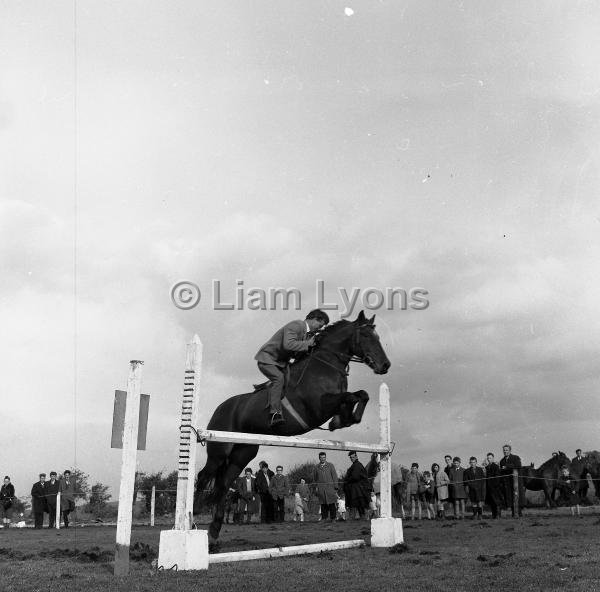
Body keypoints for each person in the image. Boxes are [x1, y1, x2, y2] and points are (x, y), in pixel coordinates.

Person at [255, 309, 329, 426]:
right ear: (314, 319)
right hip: (267, 360)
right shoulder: (296, 325)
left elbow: (296, 353)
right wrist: (308, 344)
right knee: (279, 379)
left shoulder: (307, 334)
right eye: (320, 325)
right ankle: (275, 414)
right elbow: (288, 345)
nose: (319, 328)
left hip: (281, 362)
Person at [313, 452, 338, 522]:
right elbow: (315, 478)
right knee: (323, 504)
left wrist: (336, 487)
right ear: (319, 458)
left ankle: (333, 518)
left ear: (325, 457)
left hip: (330, 488)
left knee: (332, 503)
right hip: (321, 489)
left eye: (324, 457)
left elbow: (334, 476)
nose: (322, 459)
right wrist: (316, 487)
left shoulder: (330, 465)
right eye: (321, 458)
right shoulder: (316, 467)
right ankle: (324, 518)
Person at [499, 444, 523, 517]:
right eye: (504, 450)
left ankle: (519, 513)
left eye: (507, 450)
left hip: (516, 482)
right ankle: (514, 513)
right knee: (510, 497)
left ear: (510, 450)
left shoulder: (515, 457)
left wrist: (507, 467)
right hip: (507, 483)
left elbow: (518, 465)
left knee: (517, 496)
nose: (505, 452)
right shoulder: (502, 461)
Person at [484, 453, 503, 519]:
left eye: (490, 458)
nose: (489, 459)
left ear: (493, 458)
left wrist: (494, 486)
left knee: (496, 501)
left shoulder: (496, 467)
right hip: (488, 488)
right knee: (491, 502)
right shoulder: (486, 467)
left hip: (495, 487)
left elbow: (497, 478)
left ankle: (498, 515)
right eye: (488, 458)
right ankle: (493, 515)